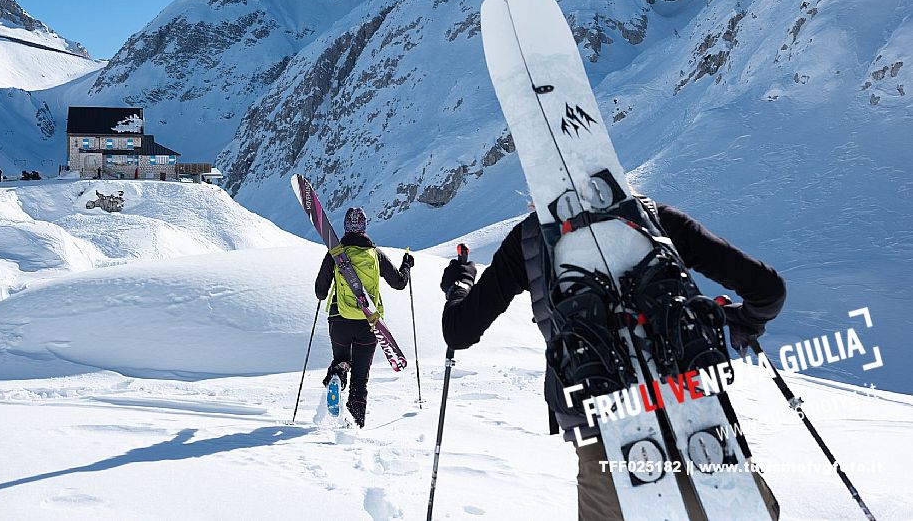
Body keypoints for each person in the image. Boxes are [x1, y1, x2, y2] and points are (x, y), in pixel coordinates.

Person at [440, 199, 786, 521]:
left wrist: (461, 283)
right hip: (703, 426)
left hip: (604, 447)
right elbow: (768, 290)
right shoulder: (655, 218)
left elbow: (459, 331)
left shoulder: (528, 239)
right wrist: (744, 320)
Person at [314, 206, 413, 427]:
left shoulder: (335, 254)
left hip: (339, 319)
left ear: (346, 227)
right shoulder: (375, 254)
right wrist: (406, 265)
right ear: (364, 227)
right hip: (370, 323)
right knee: (361, 379)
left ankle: (338, 374)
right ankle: (355, 425)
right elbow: (399, 283)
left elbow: (320, 292)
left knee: (341, 360)